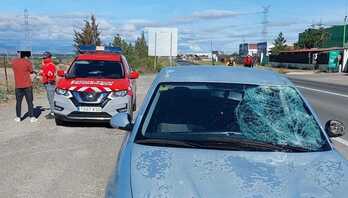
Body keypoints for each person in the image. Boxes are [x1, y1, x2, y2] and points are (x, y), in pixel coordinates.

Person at [11, 51, 37, 123]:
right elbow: (31, 71)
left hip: (18, 85)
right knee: (30, 102)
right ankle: (31, 117)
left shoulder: (14, 62)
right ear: (26, 55)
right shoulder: (28, 62)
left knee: (18, 102)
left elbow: (14, 66)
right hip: (27, 85)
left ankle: (18, 117)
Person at [40, 52, 56, 119]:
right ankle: (53, 111)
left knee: (51, 99)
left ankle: (53, 113)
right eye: (43, 58)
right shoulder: (46, 65)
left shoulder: (50, 65)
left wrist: (44, 72)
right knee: (50, 98)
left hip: (50, 83)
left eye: (45, 58)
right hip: (47, 83)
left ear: (49, 57)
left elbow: (50, 75)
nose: (43, 59)